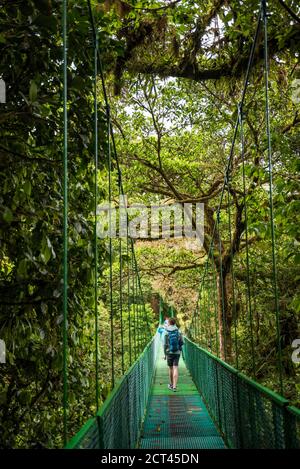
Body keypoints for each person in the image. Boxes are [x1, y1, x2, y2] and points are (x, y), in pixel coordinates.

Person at [163, 317, 183, 392]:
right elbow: (182, 342)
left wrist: (165, 354)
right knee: (175, 368)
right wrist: (180, 350)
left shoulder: (166, 332)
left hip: (169, 352)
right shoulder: (179, 331)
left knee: (171, 368)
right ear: (175, 323)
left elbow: (164, 344)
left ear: (169, 323)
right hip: (177, 352)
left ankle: (171, 384)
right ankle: (174, 386)